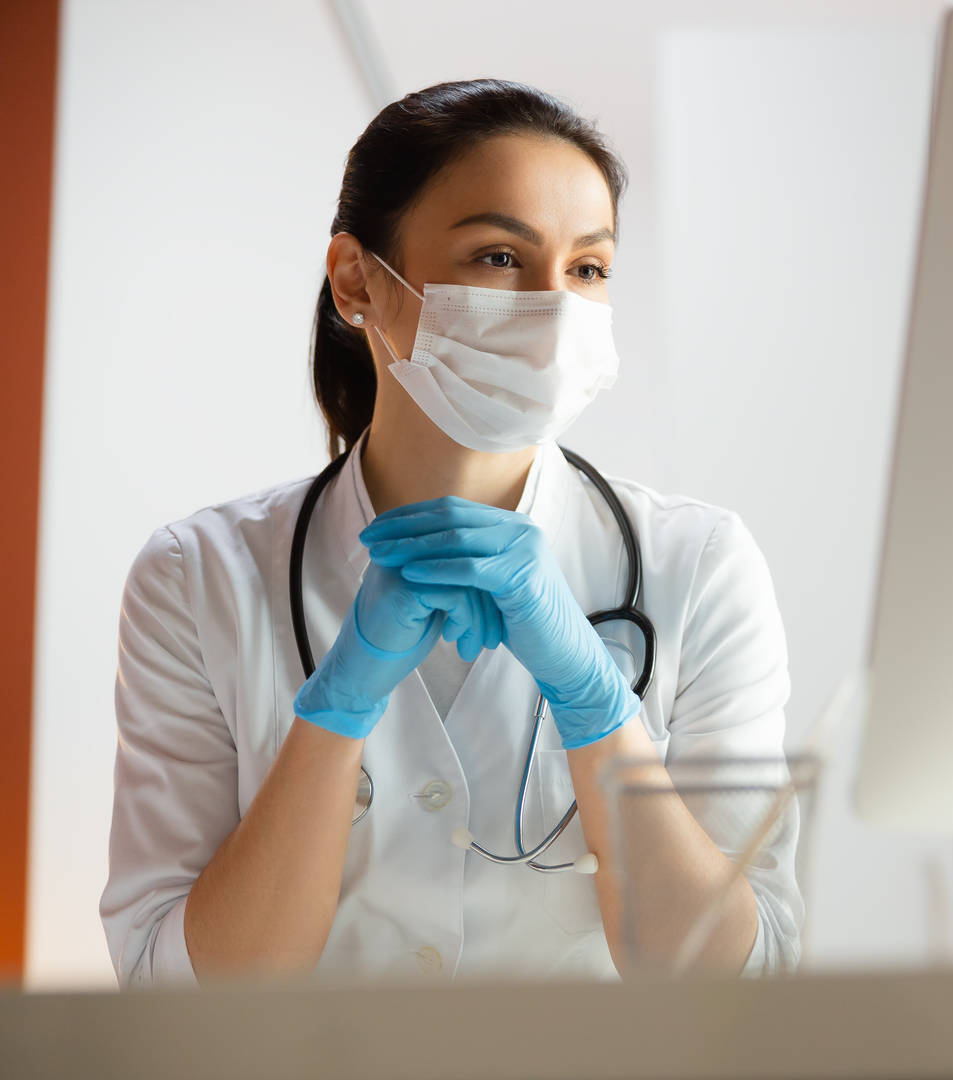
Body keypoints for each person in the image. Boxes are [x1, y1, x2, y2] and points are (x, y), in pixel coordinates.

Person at [100, 79, 801, 986]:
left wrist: (598, 707)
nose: (555, 307)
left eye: (587, 269)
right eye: (501, 258)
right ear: (358, 280)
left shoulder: (698, 566)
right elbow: (173, 998)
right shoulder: (199, 577)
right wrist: (333, 714)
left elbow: (747, 986)